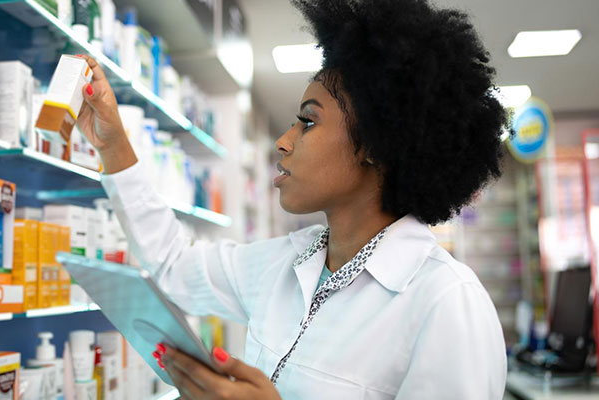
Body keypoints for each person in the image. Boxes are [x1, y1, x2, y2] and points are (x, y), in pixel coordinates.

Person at [75, 0, 509, 397]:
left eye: (308, 121)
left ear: (376, 143)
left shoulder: (446, 302)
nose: (283, 141)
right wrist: (114, 146)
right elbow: (173, 265)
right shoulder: (284, 264)